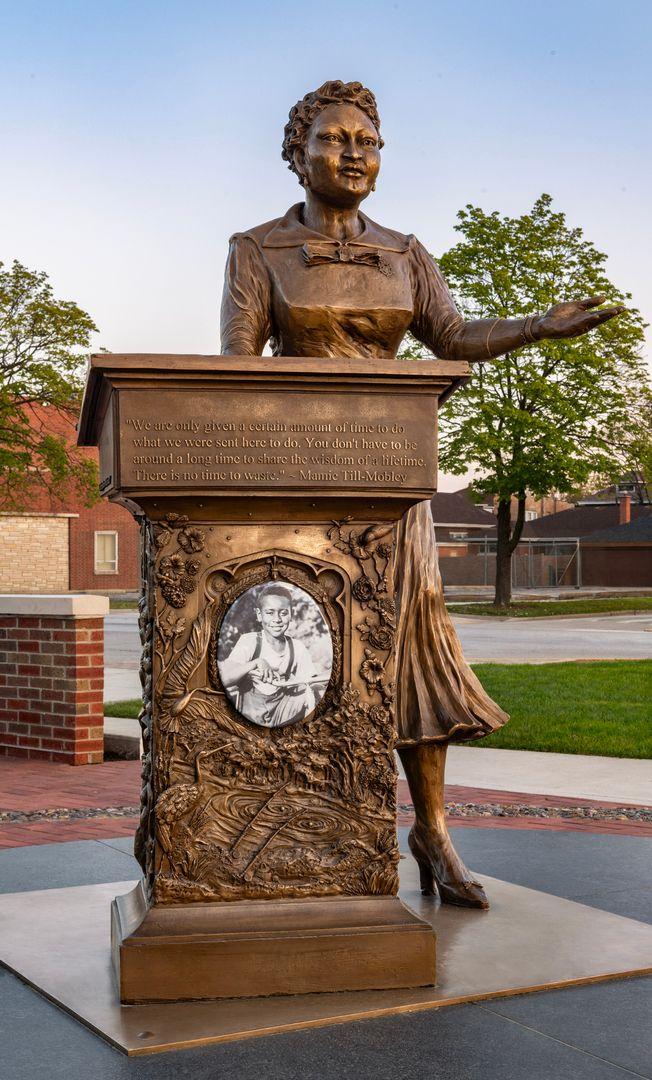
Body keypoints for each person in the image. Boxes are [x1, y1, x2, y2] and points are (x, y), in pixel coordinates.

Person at [220, 81, 623, 906]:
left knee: (412, 657)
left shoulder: (405, 251)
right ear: (296, 154)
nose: (354, 153)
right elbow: (235, 365)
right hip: (304, 493)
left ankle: (432, 830)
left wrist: (537, 326)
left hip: (396, 486)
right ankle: (306, 828)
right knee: (304, 660)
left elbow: (453, 337)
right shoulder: (256, 248)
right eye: (334, 140)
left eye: (367, 141)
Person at [218, 584, 316, 727]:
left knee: (307, 692)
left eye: (283, 613)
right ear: (259, 615)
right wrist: (257, 662)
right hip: (250, 713)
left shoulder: (297, 647)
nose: (277, 619)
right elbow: (226, 679)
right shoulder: (250, 641)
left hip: (282, 714)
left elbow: (312, 683)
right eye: (270, 612)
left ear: (291, 614)